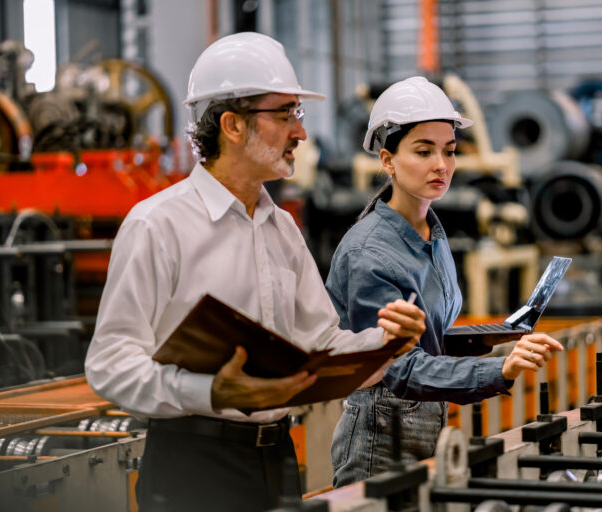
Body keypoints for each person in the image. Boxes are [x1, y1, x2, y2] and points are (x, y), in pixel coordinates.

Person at [84, 33, 425, 512]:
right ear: (232, 125)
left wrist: (385, 342)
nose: (300, 133)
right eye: (285, 114)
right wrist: (210, 391)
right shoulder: (158, 225)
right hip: (193, 464)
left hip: (277, 458)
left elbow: (319, 343)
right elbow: (110, 364)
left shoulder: (280, 227)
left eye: (297, 115)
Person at [325, 77, 564, 487]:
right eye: (423, 151)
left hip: (426, 420)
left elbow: (426, 338)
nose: (441, 164)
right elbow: (396, 366)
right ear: (387, 160)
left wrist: (486, 339)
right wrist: (496, 370)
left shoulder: (431, 234)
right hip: (380, 436)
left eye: (449, 151)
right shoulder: (369, 254)